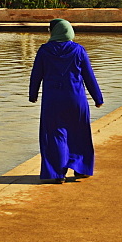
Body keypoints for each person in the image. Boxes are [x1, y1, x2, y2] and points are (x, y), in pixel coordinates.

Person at [29, 18, 104, 184]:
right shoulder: (78, 50)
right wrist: (98, 98)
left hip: (52, 101)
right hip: (76, 100)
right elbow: (89, 76)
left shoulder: (44, 51)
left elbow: (36, 76)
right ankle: (81, 169)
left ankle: (57, 173)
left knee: (55, 135)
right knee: (79, 133)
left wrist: (32, 95)